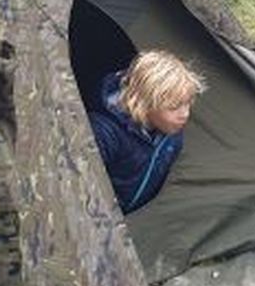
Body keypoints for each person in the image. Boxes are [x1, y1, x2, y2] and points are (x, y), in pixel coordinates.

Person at [87, 50, 206, 213]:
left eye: (188, 103)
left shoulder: (171, 133)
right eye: (174, 107)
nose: (185, 114)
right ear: (145, 103)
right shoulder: (103, 133)